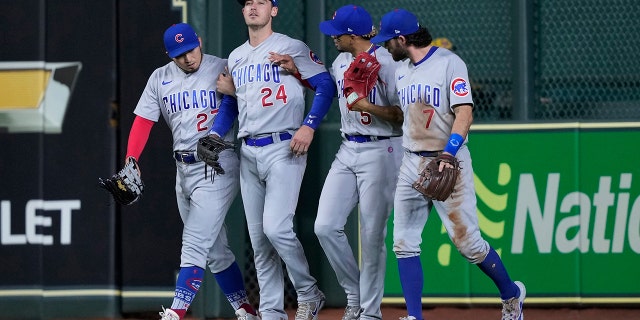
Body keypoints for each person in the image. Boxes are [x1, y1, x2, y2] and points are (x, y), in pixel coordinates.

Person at [369, 9, 526, 320]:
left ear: (403, 39)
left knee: (469, 246)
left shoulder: (448, 63)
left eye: (390, 41)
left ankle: (511, 295)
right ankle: (415, 316)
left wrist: (449, 153)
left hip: (448, 161)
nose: (387, 46)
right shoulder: (402, 70)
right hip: (411, 161)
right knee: (403, 242)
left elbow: (465, 113)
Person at [122, 22, 258, 320]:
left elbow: (232, 105)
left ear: (199, 40)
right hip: (182, 169)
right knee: (214, 249)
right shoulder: (160, 78)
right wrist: (131, 159)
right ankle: (245, 310)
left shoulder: (221, 67)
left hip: (217, 164)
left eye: (190, 49)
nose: (187, 57)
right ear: (169, 54)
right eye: (179, 54)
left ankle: (177, 312)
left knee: (194, 241)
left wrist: (218, 133)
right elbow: (144, 121)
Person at [209, 1, 336, 320]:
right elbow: (230, 106)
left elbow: (325, 85)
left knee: (276, 229)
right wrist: (214, 133)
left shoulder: (291, 47)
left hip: (284, 146)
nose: (252, 7)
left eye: (260, 2)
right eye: (247, 3)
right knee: (259, 240)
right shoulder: (236, 57)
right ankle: (271, 312)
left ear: (274, 10)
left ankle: (308, 291)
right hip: (248, 149)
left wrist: (309, 125)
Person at [282, 5, 403, 320]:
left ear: (351, 35)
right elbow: (331, 89)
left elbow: (403, 118)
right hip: (348, 148)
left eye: (337, 33)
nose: (332, 37)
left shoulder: (387, 64)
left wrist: (369, 106)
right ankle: (356, 293)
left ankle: (370, 312)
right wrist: (297, 72)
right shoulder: (340, 61)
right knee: (325, 226)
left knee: (372, 234)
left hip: (383, 149)